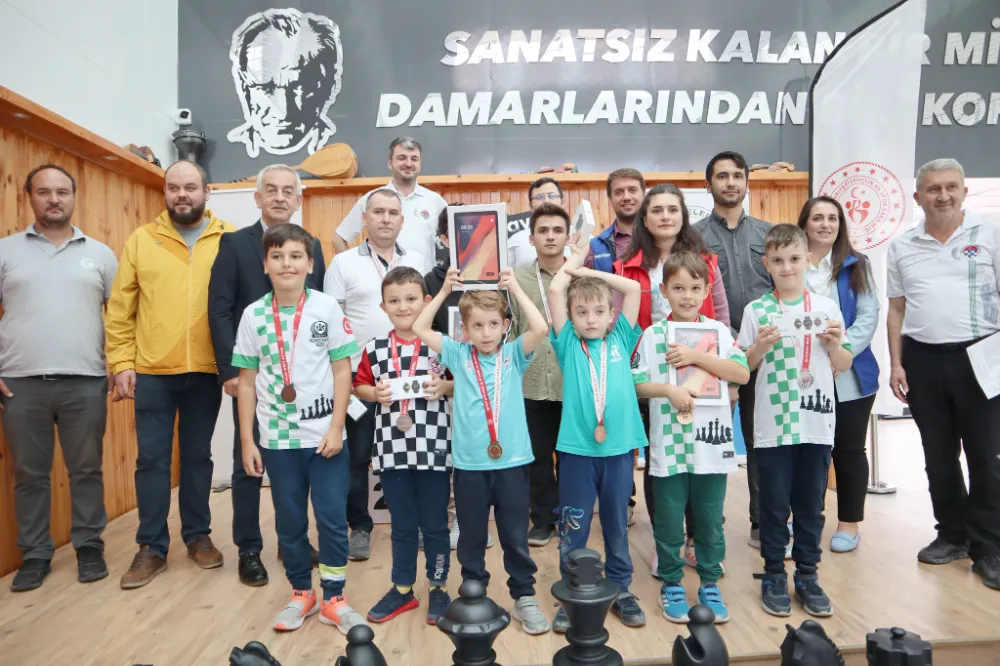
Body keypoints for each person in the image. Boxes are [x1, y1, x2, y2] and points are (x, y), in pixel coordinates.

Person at [106, 160, 236, 589]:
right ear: (165, 192)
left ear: (206, 192)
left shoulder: (229, 238)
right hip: (152, 372)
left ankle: (198, 537)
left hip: (206, 370)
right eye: (174, 187)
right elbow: (121, 308)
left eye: (190, 187)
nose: (182, 195)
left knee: (198, 458)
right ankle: (151, 547)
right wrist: (122, 363)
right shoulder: (142, 239)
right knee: (152, 461)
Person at [232, 223, 365, 633]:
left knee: (331, 519)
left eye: (295, 256)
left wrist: (337, 427)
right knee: (289, 522)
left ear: (310, 264)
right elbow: (247, 383)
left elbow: (342, 372)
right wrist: (247, 440)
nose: (286, 264)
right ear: (265, 264)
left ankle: (334, 598)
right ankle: (301, 593)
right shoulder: (253, 315)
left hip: (325, 438)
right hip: (277, 440)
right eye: (277, 256)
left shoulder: (326, 308)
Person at [412, 267, 552, 635]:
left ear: (505, 325)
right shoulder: (458, 354)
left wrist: (515, 289)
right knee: (471, 536)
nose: (486, 333)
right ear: (465, 329)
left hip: (513, 463)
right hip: (470, 465)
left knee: (515, 535)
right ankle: (473, 594)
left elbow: (541, 328)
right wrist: (444, 291)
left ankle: (524, 596)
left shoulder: (513, 354)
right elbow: (420, 327)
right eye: (477, 326)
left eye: (493, 325)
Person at [0, 165, 118, 592]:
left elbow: (120, 317)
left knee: (86, 469)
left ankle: (89, 546)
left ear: (73, 197)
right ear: (29, 196)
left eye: (62, 192)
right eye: (44, 191)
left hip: (85, 380)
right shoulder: (5, 251)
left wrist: (120, 363)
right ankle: (35, 554)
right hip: (19, 383)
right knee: (29, 474)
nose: (54, 199)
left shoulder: (101, 255)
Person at [208, 164, 327, 586]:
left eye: (287, 191)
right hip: (253, 377)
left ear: (298, 199)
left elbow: (319, 311)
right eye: (271, 190)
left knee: (297, 464)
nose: (279, 196)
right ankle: (249, 549)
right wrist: (230, 370)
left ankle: (293, 542)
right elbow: (220, 309)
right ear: (257, 198)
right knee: (249, 464)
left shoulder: (312, 247)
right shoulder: (234, 244)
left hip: (301, 381)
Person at [887, 158, 1000, 591]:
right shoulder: (902, 245)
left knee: (986, 455)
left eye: (951, 187)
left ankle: (989, 547)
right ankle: (952, 534)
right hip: (923, 359)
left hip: (982, 354)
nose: (943, 195)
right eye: (933, 189)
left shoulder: (989, 234)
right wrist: (896, 363)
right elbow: (897, 309)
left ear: (964, 191)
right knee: (938, 455)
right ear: (918, 197)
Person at [737, 224, 852, 618]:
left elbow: (843, 363)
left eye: (794, 259)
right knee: (772, 505)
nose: (787, 267)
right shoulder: (756, 311)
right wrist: (759, 347)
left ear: (808, 260)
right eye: (778, 260)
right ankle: (773, 573)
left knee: (810, 505)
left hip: (816, 423)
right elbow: (743, 368)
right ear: (766, 264)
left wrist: (834, 345)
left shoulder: (826, 309)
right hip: (774, 426)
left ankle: (807, 574)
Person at [614, 183, 731, 572]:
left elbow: (721, 317)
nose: (665, 216)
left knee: (702, 460)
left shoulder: (705, 261)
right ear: (644, 219)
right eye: (656, 210)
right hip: (654, 372)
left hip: (703, 375)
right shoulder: (628, 265)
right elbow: (621, 323)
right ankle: (665, 543)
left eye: (672, 209)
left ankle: (697, 540)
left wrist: (725, 380)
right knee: (660, 462)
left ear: (683, 215)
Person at [633, 252, 750, 624]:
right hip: (669, 445)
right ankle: (671, 583)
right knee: (668, 519)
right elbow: (636, 384)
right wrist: (668, 391)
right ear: (664, 290)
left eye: (695, 288)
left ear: (706, 290)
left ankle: (710, 583)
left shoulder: (718, 333)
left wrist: (696, 357)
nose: (687, 296)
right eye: (679, 288)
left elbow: (741, 374)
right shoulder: (653, 335)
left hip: (710, 445)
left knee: (710, 520)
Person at [546, 238, 649, 632]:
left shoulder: (621, 337)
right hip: (577, 451)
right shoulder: (568, 344)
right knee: (573, 526)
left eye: (599, 311)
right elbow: (555, 290)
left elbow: (633, 288)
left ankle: (621, 589)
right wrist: (572, 263)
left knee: (616, 524)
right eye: (581, 312)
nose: (590, 319)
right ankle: (572, 591)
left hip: (619, 450)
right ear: (571, 318)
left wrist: (588, 272)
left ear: (611, 316)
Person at [325, 188, 425, 561]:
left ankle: (415, 523)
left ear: (402, 220)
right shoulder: (343, 263)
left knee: (413, 452)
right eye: (378, 211)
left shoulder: (417, 260)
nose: (385, 218)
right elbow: (331, 322)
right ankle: (360, 527)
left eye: (392, 212)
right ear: (364, 218)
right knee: (357, 457)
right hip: (359, 378)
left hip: (411, 374)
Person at [354, 267, 454, 625]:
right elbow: (359, 385)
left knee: (436, 524)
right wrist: (374, 393)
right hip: (392, 451)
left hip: (434, 449)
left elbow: (463, 381)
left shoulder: (442, 344)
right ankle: (402, 589)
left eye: (411, 299)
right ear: (383, 307)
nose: (403, 306)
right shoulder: (375, 348)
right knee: (403, 525)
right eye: (394, 301)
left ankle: (439, 586)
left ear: (426, 301)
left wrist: (445, 387)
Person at [693, 150, 773, 551]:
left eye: (737, 175)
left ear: (746, 182)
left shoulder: (768, 233)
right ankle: (708, 523)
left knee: (761, 438)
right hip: (713, 353)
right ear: (708, 184)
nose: (730, 182)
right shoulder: (693, 237)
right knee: (709, 438)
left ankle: (763, 521)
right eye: (722, 176)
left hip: (764, 350)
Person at [798, 196, 879, 554]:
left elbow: (868, 316)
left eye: (833, 218)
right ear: (805, 224)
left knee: (848, 451)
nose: (826, 224)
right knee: (807, 451)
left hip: (849, 375)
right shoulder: (792, 262)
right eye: (817, 218)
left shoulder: (856, 264)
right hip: (801, 373)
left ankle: (849, 524)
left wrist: (838, 355)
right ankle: (805, 518)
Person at [424, 205, 493, 550]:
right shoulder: (433, 280)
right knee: (450, 455)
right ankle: (450, 519)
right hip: (447, 384)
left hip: (486, 383)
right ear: (444, 238)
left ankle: (478, 521)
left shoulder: (493, 273)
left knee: (482, 452)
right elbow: (428, 331)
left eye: (475, 229)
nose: (469, 237)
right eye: (460, 231)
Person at [509, 203, 571, 547]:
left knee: (572, 456)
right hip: (530, 382)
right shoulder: (517, 280)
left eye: (557, 230)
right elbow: (513, 330)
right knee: (538, 456)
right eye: (543, 231)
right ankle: (543, 520)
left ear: (567, 237)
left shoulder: (580, 277)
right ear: (531, 238)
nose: (550, 236)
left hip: (572, 382)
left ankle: (570, 518)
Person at [332, 137, 447, 272]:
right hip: (382, 283)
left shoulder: (435, 201)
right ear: (390, 163)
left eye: (414, 159)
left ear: (419, 164)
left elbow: (455, 240)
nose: (408, 163)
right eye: (402, 158)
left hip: (423, 283)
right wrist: (355, 272)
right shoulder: (372, 199)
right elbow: (338, 238)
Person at [585, 168, 645, 272]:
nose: (626, 197)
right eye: (619, 192)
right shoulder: (594, 247)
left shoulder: (659, 237)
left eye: (632, 190)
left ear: (643, 194)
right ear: (610, 199)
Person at [507, 177, 571, 269]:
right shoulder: (515, 240)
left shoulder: (583, 236)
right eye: (539, 197)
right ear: (530, 206)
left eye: (552, 196)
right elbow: (503, 275)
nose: (546, 201)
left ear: (562, 202)